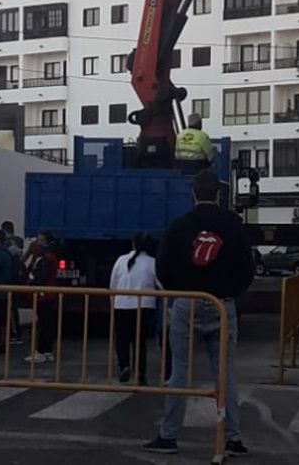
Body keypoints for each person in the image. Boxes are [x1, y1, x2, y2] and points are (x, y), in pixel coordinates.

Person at [143, 171, 254, 458]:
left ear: (193, 193)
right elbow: (248, 268)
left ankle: (168, 436)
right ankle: (232, 438)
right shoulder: (233, 225)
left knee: (179, 371)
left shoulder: (180, 226)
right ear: (218, 193)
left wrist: (179, 290)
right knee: (225, 374)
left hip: (186, 303)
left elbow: (163, 267)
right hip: (222, 304)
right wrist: (230, 292)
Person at [110, 234, 160, 385]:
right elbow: (161, 284)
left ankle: (124, 365)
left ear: (133, 244)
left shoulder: (121, 260)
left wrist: (114, 302)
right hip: (144, 306)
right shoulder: (152, 263)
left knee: (122, 339)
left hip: (122, 304)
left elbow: (113, 283)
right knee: (140, 341)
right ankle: (141, 374)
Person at [24, 232, 60, 363]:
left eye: (40, 241)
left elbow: (40, 277)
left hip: (43, 295)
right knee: (47, 323)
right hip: (48, 294)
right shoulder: (50, 257)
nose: (37, 243)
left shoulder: (46, 258)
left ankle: (41, 351)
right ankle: (48, 351)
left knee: (44, 324)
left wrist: (31, 278)